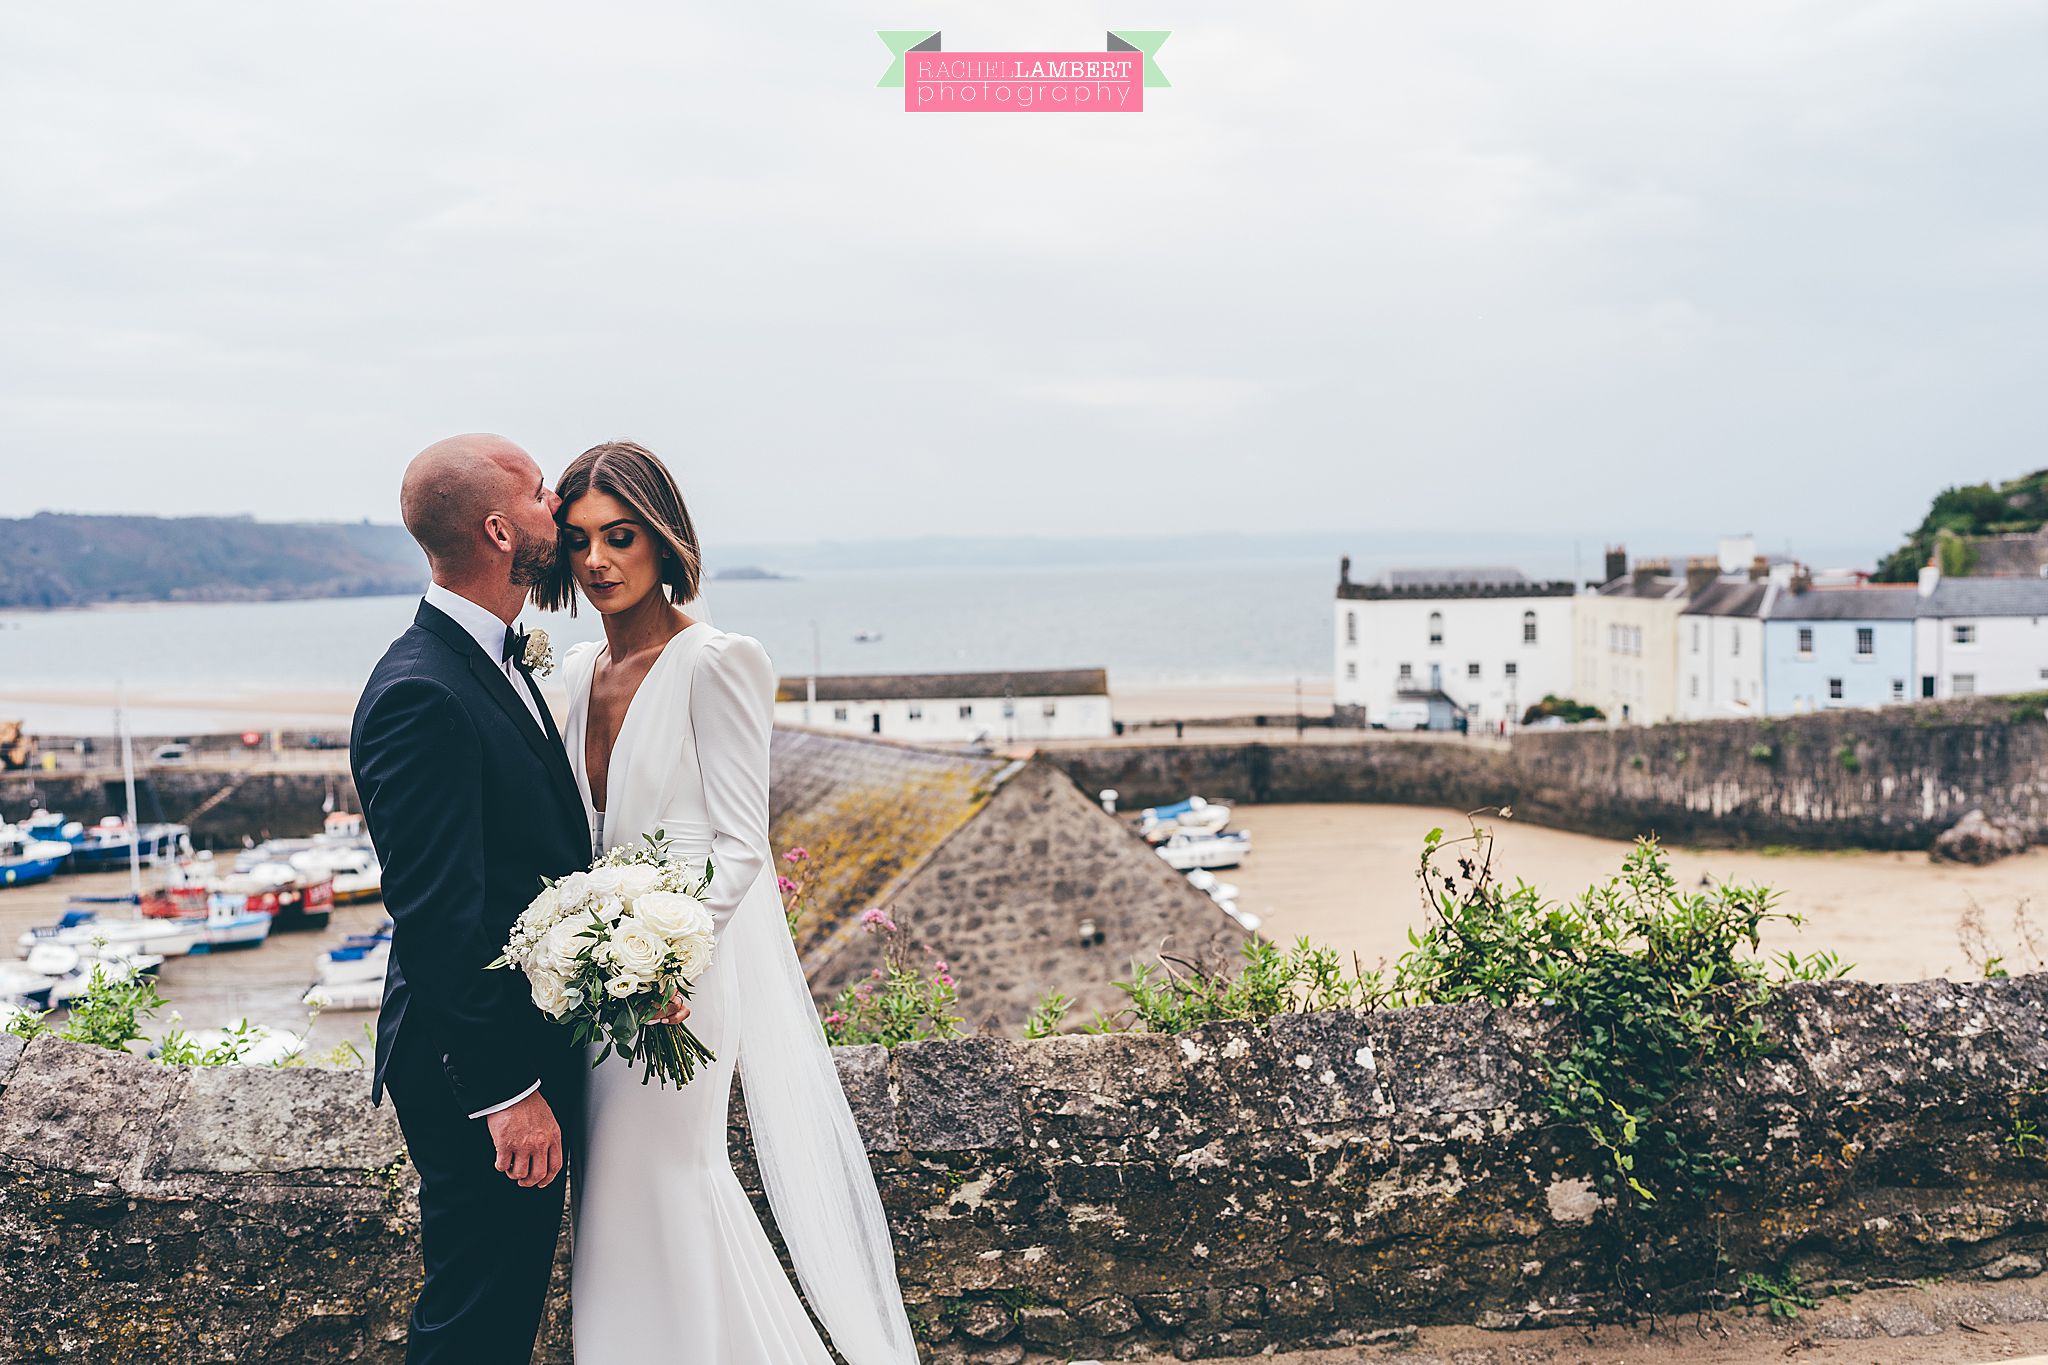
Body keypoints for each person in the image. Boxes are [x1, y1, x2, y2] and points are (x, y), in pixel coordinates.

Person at [536, 440, 918, 1365]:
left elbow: (744, 842)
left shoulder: (719, 660)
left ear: (665, 540)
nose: (598, 562)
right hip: (588, 979)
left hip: (678, 981)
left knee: (664, 1180)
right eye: (581, 541)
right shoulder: (570, 672)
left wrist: (669, 954)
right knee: (609, 1198)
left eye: (621, 536)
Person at [350, 434, 598, 1364]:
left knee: (503, 1302)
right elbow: (439, 918)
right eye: (542, 494)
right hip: (473, 1072)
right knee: (477, 1319)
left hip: (513, 1050)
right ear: (499, 529)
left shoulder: (494, 657)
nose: (560, 509)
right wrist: (508, 1092)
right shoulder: (423, 691)